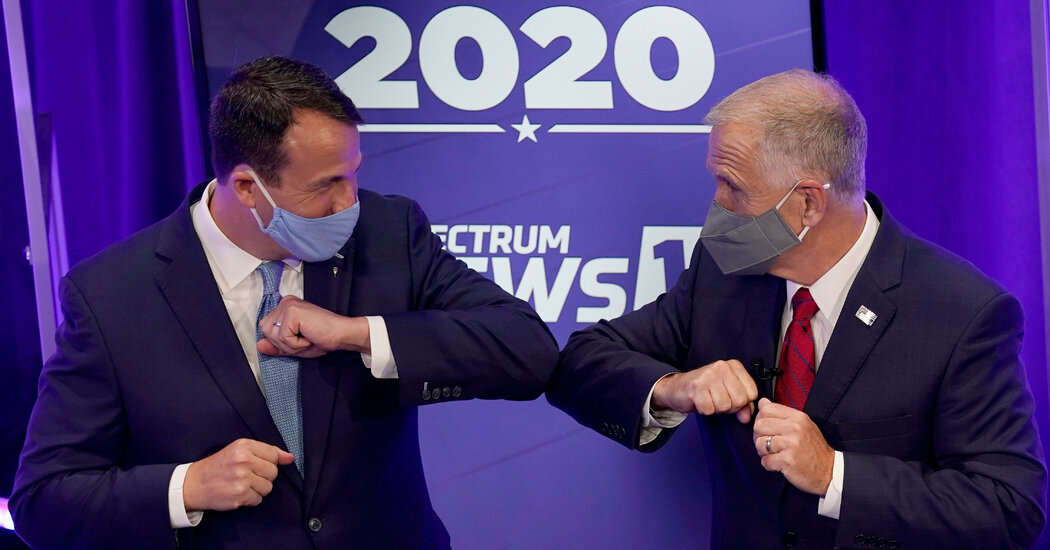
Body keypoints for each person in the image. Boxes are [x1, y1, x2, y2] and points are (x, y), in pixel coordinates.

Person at [11, 56, 558, 550]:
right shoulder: (111, 295)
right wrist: (188, 486)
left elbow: (527, 350)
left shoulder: (389, 232)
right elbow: (44, 501)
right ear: (247, 187)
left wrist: (358, 333)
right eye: (326, 185)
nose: (349, 202)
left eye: (354, 174)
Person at [547, 69, 1046, 548]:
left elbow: (1009, 508)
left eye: (733, 187)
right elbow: (578, 363)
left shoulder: (962, 312)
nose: (716, 206)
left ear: (807, 202)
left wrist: (833, 474)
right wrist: (672, 388)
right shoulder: (721, 273)